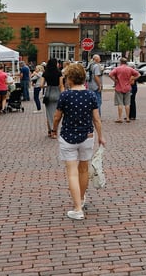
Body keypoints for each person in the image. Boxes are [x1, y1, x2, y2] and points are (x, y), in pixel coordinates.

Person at [51, 62, 105, 221]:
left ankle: (77, 208)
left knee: (72, 172)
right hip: (87, 136)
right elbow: (97, 119)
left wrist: (54, 129)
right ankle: (81, 199)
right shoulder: (91, 95)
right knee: (83, 170)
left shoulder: (65, 95)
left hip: (68, 137)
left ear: (70, 79)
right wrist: (101, 136)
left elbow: (57, 117)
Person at [108, 57, 140, 123]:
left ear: (120, 62)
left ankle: (120, 118)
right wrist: (132, 79)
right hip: (128, 87)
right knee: (127, 103)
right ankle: (128, 118)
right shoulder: (130, 69)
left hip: (119, 87)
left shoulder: (117, 69)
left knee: (120, 103)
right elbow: (138, 74)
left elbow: (110, 74)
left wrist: (115, 80)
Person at [43, 59, 62, 138]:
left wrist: (47, 86)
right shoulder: (59, 73)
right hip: (57, 92)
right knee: (56, 114)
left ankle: (50, 131)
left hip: (48, 93)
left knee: (48, 113)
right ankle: (55, 131)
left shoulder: (45, 73)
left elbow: (41, 84)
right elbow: (61, 85)